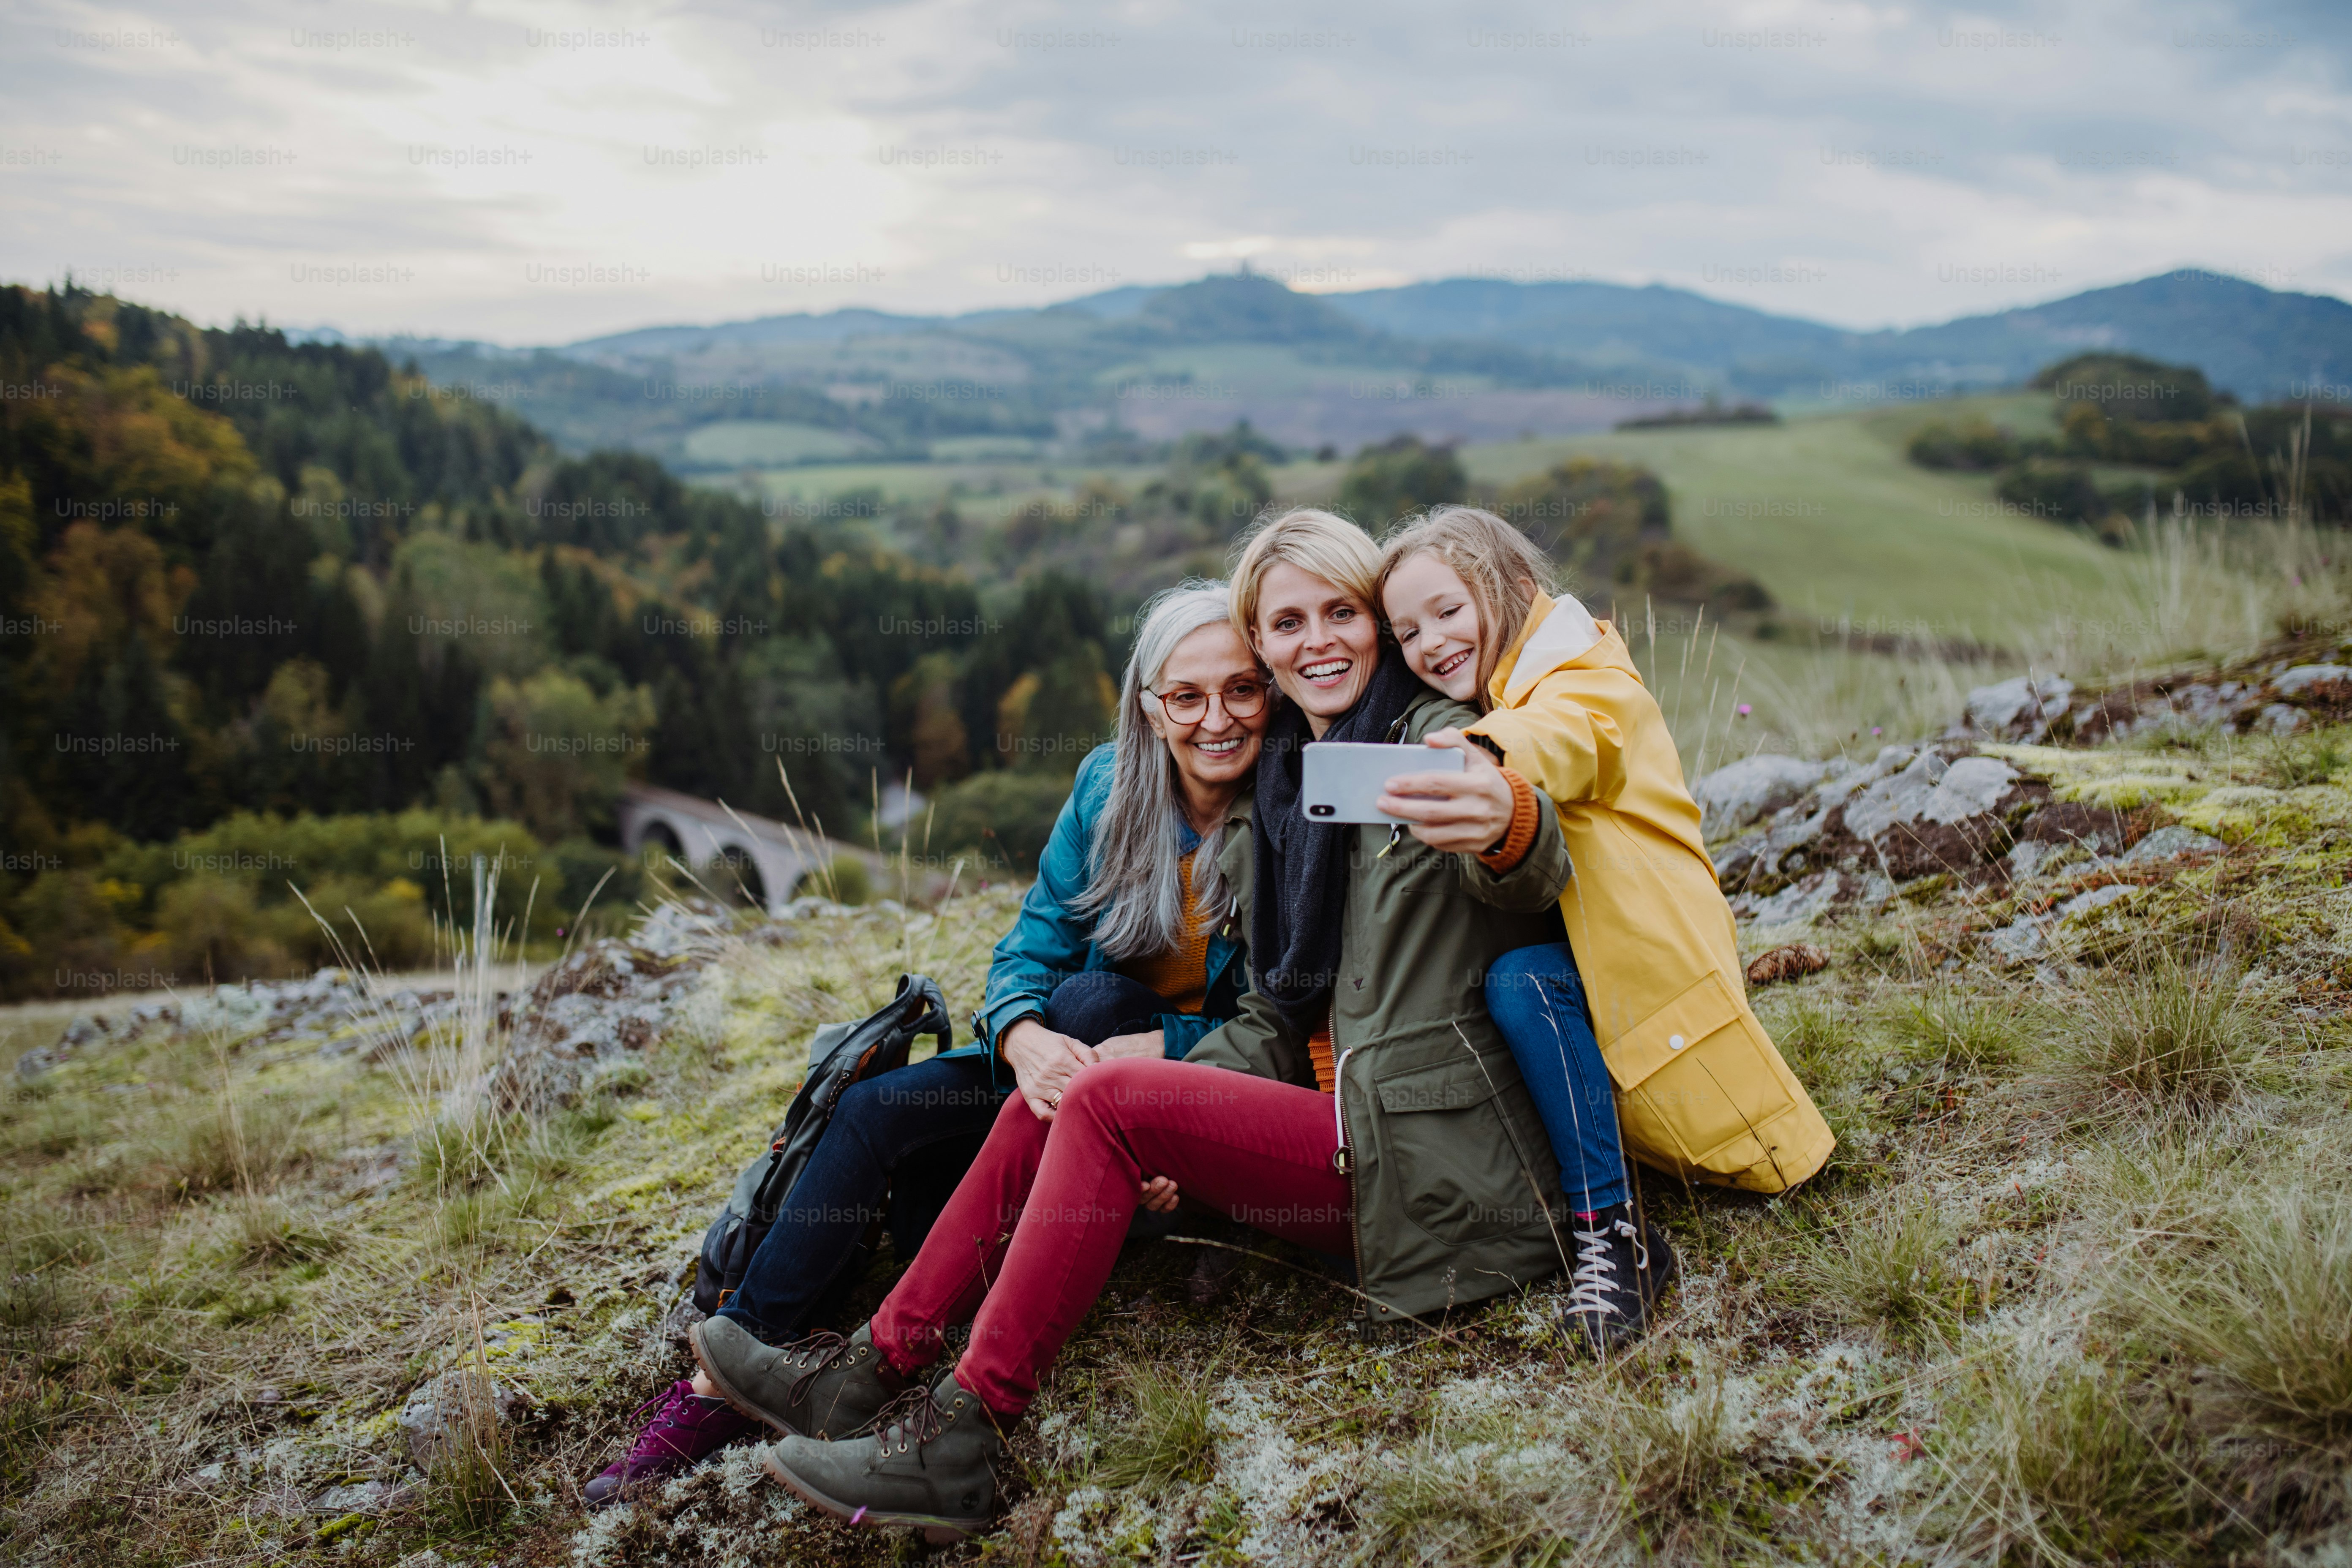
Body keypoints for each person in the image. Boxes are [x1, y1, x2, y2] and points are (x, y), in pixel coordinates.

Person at [740, 510, 1577, 1544]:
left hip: (1432, 1162)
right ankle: (872, 1366)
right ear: (1263, 645)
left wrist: (1509, 822)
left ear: (1377, 623)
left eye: (1341, 613)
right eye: (1287, 622)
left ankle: (965, 1431)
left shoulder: (1429, 737)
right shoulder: (1292, 785)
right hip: (1335, 1120)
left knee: (1107, 1094)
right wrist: (1159, 1081)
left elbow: (1531, 864)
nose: (1317, 639)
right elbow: (1275, 1020)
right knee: (1076, 1086)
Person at [584, 583, 1269, 1504]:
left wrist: (1168, 1060)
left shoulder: (1290, 815)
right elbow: (1032, 944)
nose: (1216, 718)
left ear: (1271, 691)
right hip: (1056, 1076)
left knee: (1104, 998)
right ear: (1149, 706)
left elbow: (1281, 1020)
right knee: (875, 1112)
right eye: (1187, 695)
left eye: (1242, 690)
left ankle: (897, 1367)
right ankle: (725, 1386)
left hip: (1175, 1114)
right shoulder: (1110, 784)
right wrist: (1022, 1034)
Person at [1376, 504, 1834, 1350]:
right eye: (1407, 631)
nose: (1430, 641)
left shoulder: (1583, 672)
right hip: (1604, 944)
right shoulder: (1511, 681)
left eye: (1448, 609)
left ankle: (1614, 1232)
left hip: (1658, 955)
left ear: (1513, 588)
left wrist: (1482, 755)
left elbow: (1571, 735)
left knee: (1523, 983)